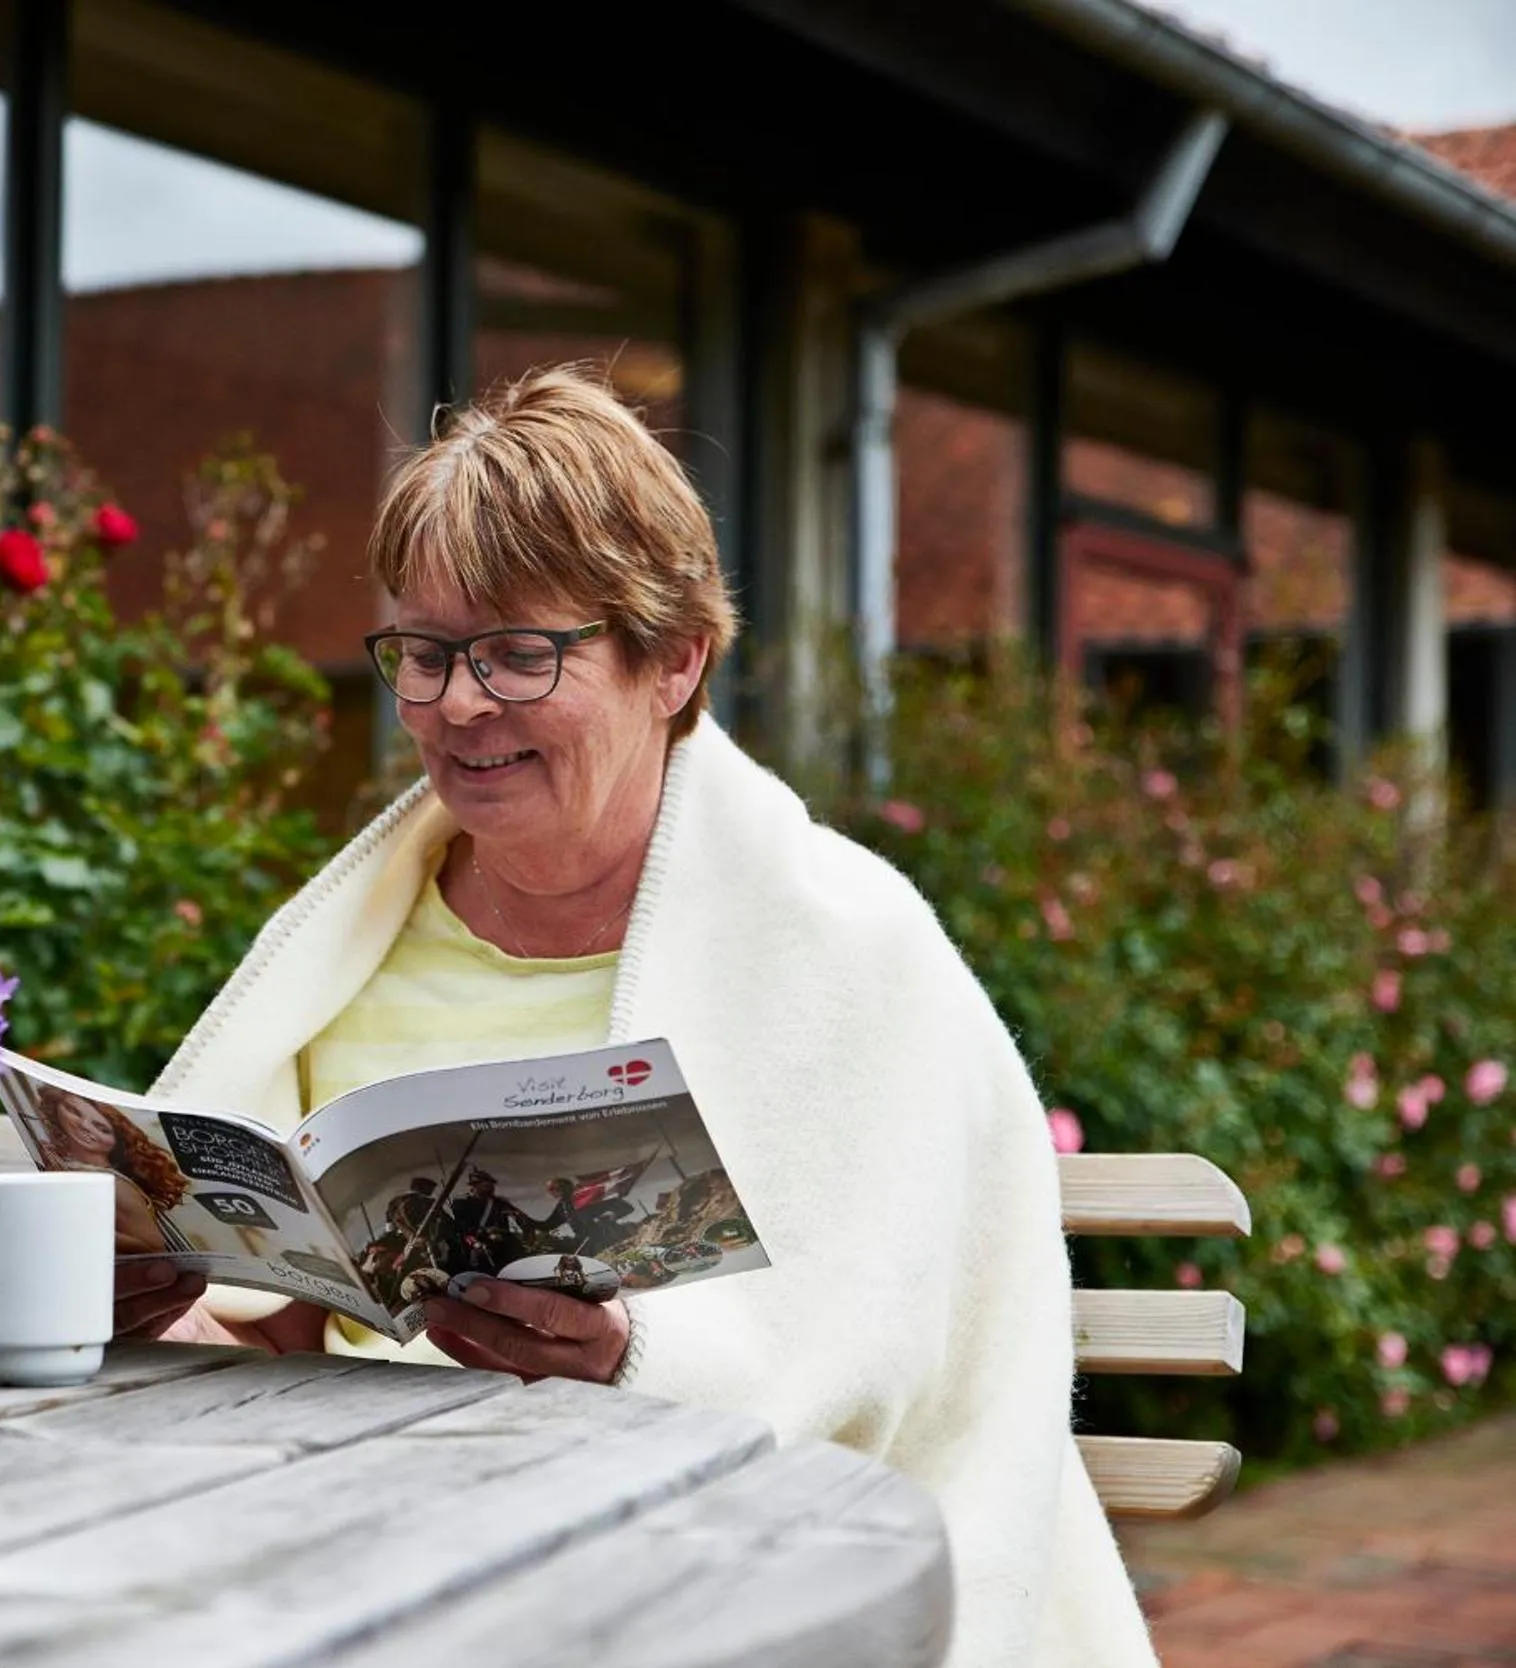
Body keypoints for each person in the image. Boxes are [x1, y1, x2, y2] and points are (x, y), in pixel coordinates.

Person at [106, 365, 1155, 1665]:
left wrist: (633, 1351)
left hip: (699, 1571)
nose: (456, 704)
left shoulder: (846, 942)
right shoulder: (348, 944)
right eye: (423, 654)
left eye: (517, 652)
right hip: (363, 1558)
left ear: (673, 659)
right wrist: (170, 1302)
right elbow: (286, 1337)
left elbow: (890, 1342)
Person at [34, 1085, 190, 1256]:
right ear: (57, 1109)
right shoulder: (62, 1161)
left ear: (117, 1142)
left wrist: (83, 1228)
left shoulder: (115, 1185)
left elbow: (153, 1247)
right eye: (73, 1111)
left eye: (102, 1129)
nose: (84, 1126)